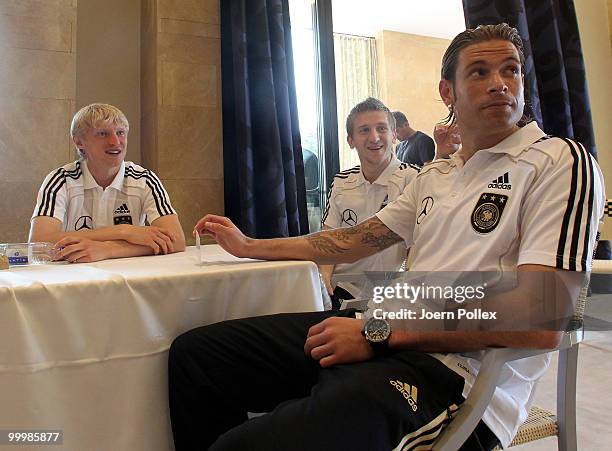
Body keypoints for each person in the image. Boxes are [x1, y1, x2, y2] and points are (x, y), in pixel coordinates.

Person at [169, 24, 604, 451]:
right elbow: (353, 239)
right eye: (479, 72)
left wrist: (380, 331)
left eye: (510, 71)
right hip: (379, 333)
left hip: (452, 378)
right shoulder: (437, 174)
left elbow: (541, 315)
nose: (499, 85)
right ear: (447, 92)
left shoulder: (557, 161)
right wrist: (249, 246)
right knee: (197, 357)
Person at [29, 103, 185, 263]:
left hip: (131, 277)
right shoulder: (60, 180)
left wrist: (108, 249)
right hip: (74, 277)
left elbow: (177, 240)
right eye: (103, 133)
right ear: (79, 142)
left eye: (121, 133)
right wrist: (124, 231)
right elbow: (38, 244)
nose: (115, 141)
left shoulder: (144, 179)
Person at [320, 98, 419, 309]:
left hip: (391, 295)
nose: (374, 137)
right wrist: (324, 283)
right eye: (364, 130)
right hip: (342, 290)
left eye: (381, 128)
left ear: (394, 135)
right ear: (351, 140)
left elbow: (418, 250)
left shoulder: (416, 179)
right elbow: (327, 242)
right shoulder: (341, 182)